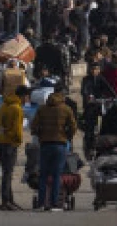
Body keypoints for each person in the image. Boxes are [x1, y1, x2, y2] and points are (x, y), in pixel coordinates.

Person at [30, 82, 77, 212]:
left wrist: (40, 135)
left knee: (43, 174)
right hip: (60, 144)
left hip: (45, 144)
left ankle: (41, 203)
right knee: (57, 175)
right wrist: (67, 136)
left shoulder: (42, 108)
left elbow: (33, 127)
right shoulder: (66, 109)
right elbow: (73, 127)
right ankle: (55, 204)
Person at [0, 85, 29, 210]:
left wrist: (3, 133)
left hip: (0, 142)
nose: (27, 100)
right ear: (23, 96)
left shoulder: (4, 106)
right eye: (27, 97)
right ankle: (6, 200)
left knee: (6, 172)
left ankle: (10, 199)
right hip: (10, 144)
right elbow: (17, 130)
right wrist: (18, 141)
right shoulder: (17, 109)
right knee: (8, 173)